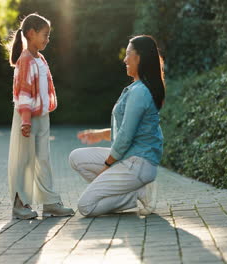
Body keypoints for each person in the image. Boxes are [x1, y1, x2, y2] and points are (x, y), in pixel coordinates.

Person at [69, 35, 165, 217]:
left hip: (138, 163)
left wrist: (107, 165)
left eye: (129, 54)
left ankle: (137, 193)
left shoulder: (140, 92)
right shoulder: (137, 88)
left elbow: (126, 136)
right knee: (76, 157)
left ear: (140, 58)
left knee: (86, 207)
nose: (125, 59)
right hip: (129, 158)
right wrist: (99, 135)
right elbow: (128, 129)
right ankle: (135, 191)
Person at [7, 13, 74, 219]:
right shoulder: (25, 59)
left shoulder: (40, 58)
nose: (47, 39)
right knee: (24, 160)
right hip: (27, 118)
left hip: (42, 116)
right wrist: (26, 120)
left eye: (49, 35)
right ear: (31, 33)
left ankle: (50, 202)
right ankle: (20, 204)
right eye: (45, 35)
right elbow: (23, 92)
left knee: (43, 159)